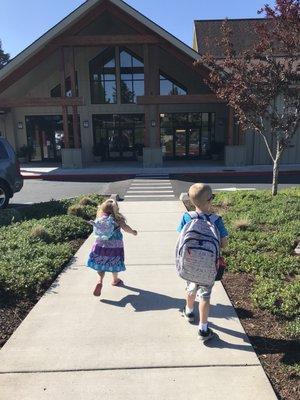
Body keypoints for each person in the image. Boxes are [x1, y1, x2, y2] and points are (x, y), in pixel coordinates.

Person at [177, 183, 229, 342]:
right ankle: (203, 329)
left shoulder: (187, 217)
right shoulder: (216, 220)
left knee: (191, 287)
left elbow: (180, 238)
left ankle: (189, 311)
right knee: (205, 296)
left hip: (191, 263)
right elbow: (224, 243)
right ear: (209, 201)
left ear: (193, 202)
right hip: (208, 267)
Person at [86, 199, 137, 297]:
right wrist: (133, 232)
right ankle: (115, 280)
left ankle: (100, 281)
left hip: (100, 246)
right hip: (114, 247)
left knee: (100, 264)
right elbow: (126, 228)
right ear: (116, 209)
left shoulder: (100, 218)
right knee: (114, 262)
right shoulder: (118, 219)